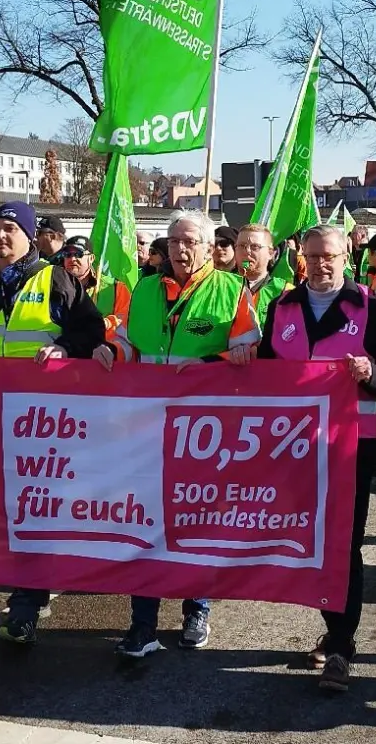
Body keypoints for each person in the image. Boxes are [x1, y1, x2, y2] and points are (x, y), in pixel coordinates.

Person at [0, 201, 109, 644]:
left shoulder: (58, 278)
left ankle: (27, 602)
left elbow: (91, 332)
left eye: (11, 228)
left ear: (30, 236)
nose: (1, 237)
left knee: (35, 505)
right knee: (5, 506)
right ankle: (31, 581)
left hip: (44, 419)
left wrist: (65, 348)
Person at [109, 210, 261, 658]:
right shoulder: (145, 289)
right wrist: (108, 349)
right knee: (145, 524)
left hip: (203, 432)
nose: (181, 248)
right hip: (147, 428)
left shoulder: (233, 290)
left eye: (190, 240)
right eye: (174, 240)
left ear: (210, 245)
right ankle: (143, 625)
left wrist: (212, 366)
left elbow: (251, 351)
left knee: (195, 524)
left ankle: (197, 608)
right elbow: (131, 345)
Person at [262, 225, 376, 694]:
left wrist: (372, 373)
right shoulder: (280, 308)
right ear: (301, 257)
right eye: (314, 256)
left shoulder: (372, 310)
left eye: (331, 256)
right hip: (291, 447)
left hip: (351, 445)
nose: (322, 264)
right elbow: (264, 371)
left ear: (348, 257)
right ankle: (332, 624)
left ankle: (342, 644)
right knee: (307, 538)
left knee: (343, 541)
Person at [59, 235, 130, 339]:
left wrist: (105, 323)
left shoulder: (115, 287)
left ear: (91, 258)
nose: (72, 259)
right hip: (61, 351)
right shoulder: (54, 284)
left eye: (78, 254)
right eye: (67, 254)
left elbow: (126, 319)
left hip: (101, 351)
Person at [236, 223, 291, 327]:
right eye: (241, 246)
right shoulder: (221, 286)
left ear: (271, 253)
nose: (247, 251)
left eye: (255, 247)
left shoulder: (285, 292)